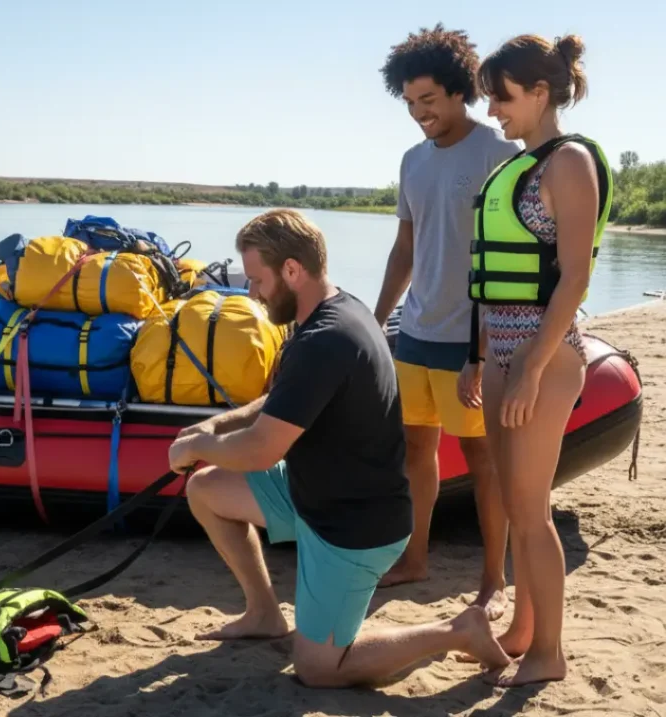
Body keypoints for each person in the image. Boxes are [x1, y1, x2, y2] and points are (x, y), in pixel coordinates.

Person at [167, 208, 510, 688]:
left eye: (258, 280)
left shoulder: (326, 339)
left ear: (292, 271)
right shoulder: (333, 309)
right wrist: (214, 427)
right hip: (314, 492)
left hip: (352, 525)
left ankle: (457, 630)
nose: (251, 291)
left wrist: (203, 444)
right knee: (207, 489)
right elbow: (283, 399)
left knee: (319, 668)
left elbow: (263, 449)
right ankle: (265, 613)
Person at [459, 33, 612, 687]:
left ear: (541, 92)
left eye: (503, 95)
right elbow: (491, 278)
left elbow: (573, 280)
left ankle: (549, 651)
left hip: (544, 358)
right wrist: (479, 357)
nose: (493, 109)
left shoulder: (568, 163)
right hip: (502, 355)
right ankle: (523, 630)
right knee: (510, 495)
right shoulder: (515, 167)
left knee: (531, 508)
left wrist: (528, 365)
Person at [373, 24, 521, 618]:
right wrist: (373, 320)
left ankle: (494, 579)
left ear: (459, 90)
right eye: (409, 103)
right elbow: (404, 251)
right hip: (415, 333)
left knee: (483, 459)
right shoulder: (411, 161)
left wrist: (481, 351)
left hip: (471, 342)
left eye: (428, 100)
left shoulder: (499, 155)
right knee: (416, 448)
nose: (418, 114)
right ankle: (416, 557)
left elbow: (511, 267)